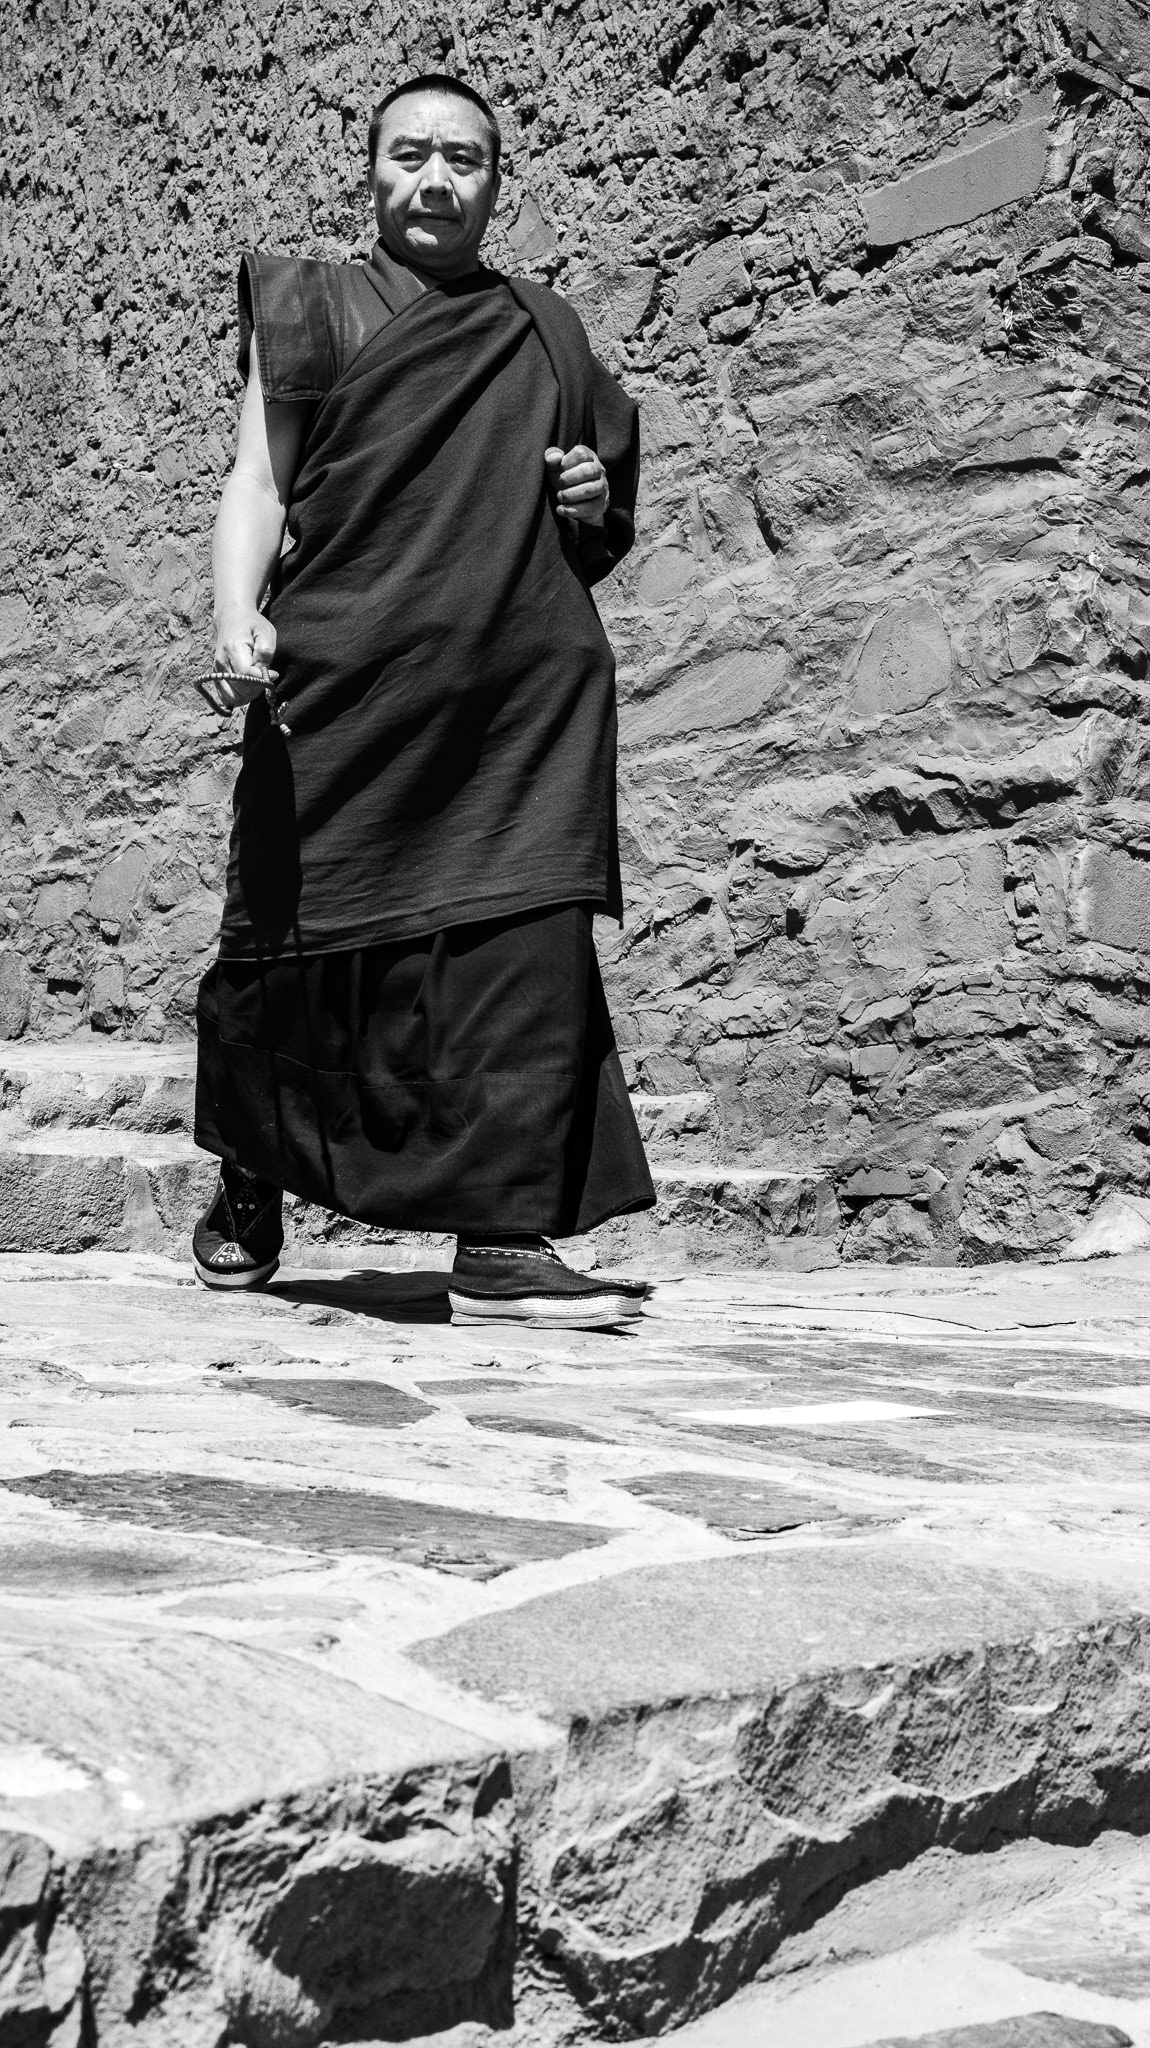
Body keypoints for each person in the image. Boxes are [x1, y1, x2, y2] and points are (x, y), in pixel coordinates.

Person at [190, 72, 656, 1328]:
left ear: (498, 182)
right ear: (374, 173)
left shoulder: (545, 326)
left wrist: (584, 497)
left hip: (517, 701)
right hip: (346, 683)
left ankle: (504, 1240)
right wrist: (237, 611)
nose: (436, 180)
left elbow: (597, 497)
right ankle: (255, 1170)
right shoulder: (314, 305)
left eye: (464, 159)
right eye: (412, 155)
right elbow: (262, 478)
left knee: (525, 945)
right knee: (287, 942)